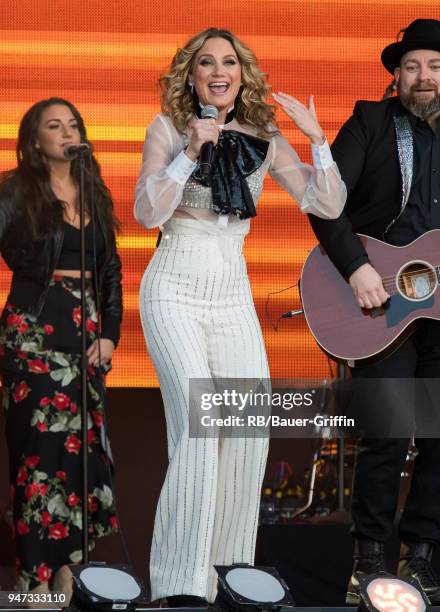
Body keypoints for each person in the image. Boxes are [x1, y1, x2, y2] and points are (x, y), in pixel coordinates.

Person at [134, 27, 345, 605]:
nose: (219, 71)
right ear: (192, 76)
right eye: (207, 63)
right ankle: (180, 590)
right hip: (174, 284)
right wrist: (190, 153)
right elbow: (147, 212)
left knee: (248, 431)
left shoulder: (264, 136)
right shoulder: (168, 129)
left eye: (230, 62)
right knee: (200, 434)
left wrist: (316, 140)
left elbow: (324, 204)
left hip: (231, 292)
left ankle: (227, 578)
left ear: (242, 75)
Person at [308, 18, 440, 605]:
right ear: (396, 75)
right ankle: (368, 560)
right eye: (412, 66)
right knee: (387, 433)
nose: (424, 77)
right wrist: (357, 267)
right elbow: (324, 198)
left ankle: (423, 559)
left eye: (435, 66)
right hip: (379, 302)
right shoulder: (370, 121)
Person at [0, 98, 123, 593]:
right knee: (38, 456)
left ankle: (70, 577)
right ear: (35, 141)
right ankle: (32, 584)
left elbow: (110, 270)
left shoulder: (94, 190)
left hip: (86, 334)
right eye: (55, 126)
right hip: (35, 332)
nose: (67, 132)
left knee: (80, 458)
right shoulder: (14, 191)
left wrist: (110, 333)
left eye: (73, 124)